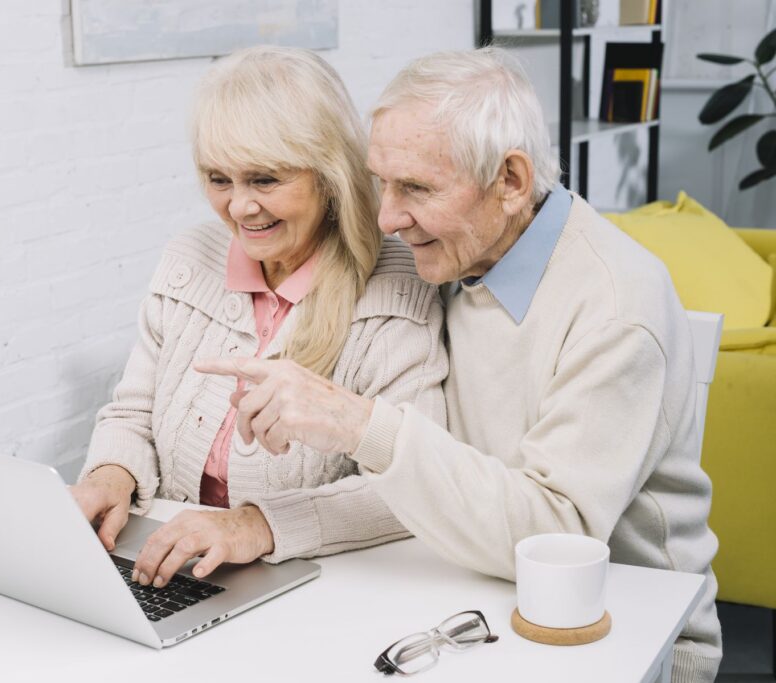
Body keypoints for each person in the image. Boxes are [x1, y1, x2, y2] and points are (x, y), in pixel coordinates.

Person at [198, 47, 721, 682]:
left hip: (623, 630)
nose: (388, 219)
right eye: (381, 183)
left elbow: (554, 541)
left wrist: (362, 424)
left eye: (416, 188)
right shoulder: (458, 254)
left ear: (511, 181)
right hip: (468, 593)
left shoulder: (614, 307)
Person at [70, 46, 445, 590]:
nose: (239, 208)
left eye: (265, 180)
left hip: (313, 585)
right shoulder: (188, 259)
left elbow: (415, 481)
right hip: (172, 569)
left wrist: (256, 525)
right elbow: (132, 412)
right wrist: (111, 476)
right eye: (219, 179)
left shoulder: (396, 286)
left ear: (329, 173)